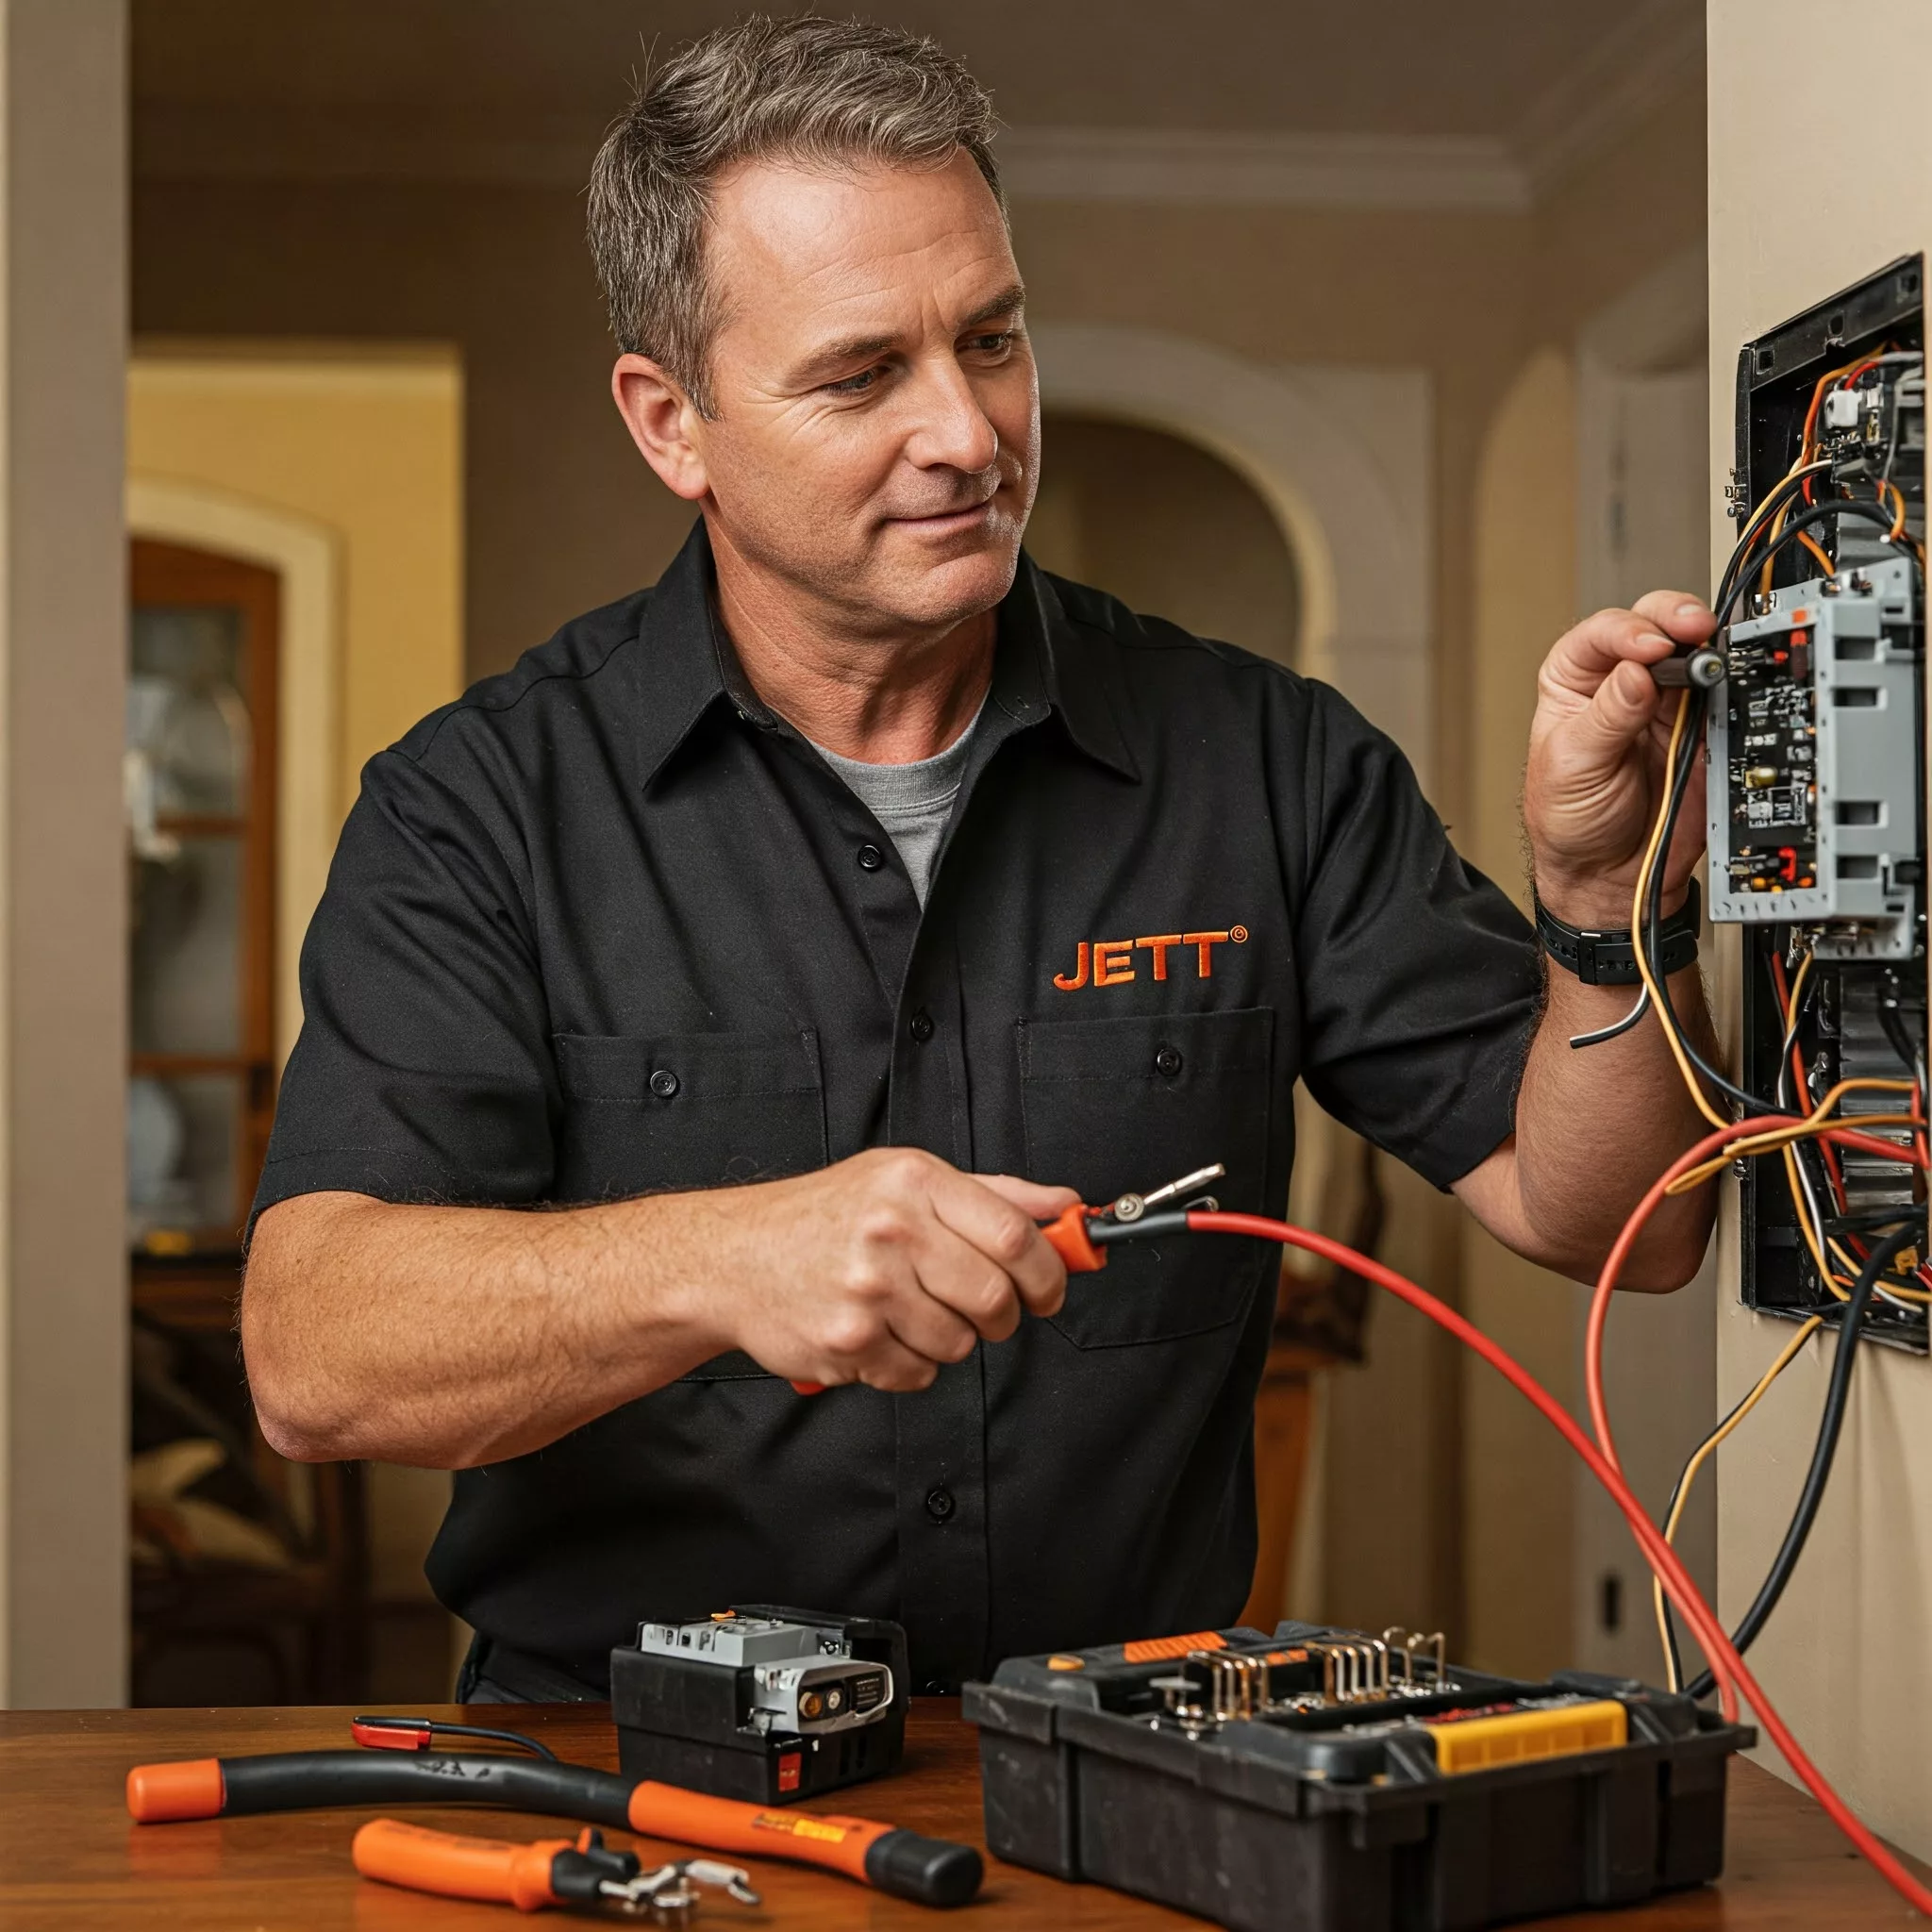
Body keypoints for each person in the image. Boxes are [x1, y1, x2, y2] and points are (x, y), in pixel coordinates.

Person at [242, 15, 1717, 1702]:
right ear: (673, 425)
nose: (970, 431)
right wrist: (730, 1258)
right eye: (864, 375)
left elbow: (1626, 1230)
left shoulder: (1268, 760)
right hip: (627, 1793)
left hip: (1129, 1779)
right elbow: (315, 1351)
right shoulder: (478, 804)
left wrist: (1603, 911)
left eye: (993, 341)